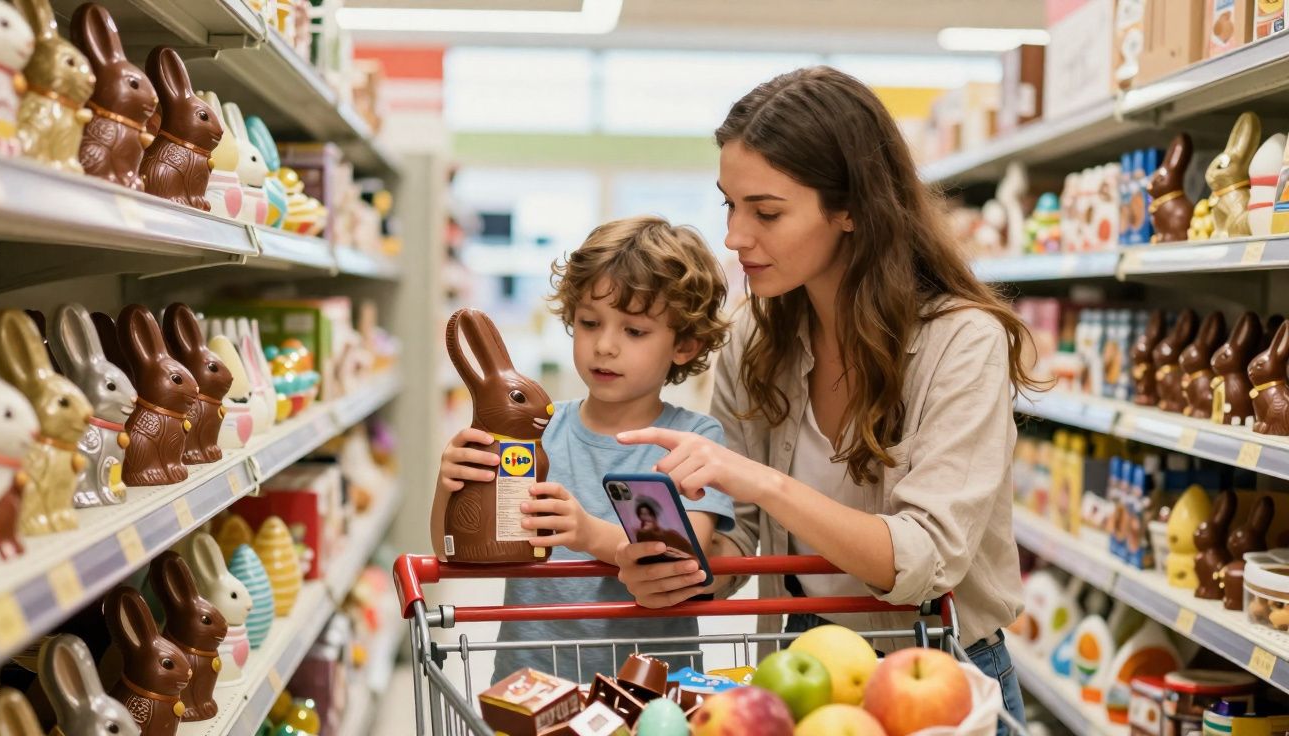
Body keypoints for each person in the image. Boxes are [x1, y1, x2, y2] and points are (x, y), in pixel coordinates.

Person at [611, 67, 1036, 728]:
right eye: (729, 203)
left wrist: (762, 483)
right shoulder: (755, 336)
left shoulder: (962, 342)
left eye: (767, 212)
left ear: (852, 209)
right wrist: (685, 569)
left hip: (939, 678)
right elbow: (742, 536)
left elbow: (925, 559)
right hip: (800, 671)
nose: (733, 235)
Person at [436, 215, 735, 683]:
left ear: (685, 345)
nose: (605, 347)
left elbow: (680, 561)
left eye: (635, 331)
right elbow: (457, 548)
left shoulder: (693, 442)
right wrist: (453, 488)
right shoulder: (536, 431)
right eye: (590, 323)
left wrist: (588, 533)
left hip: (649, 694)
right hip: (531, 683)